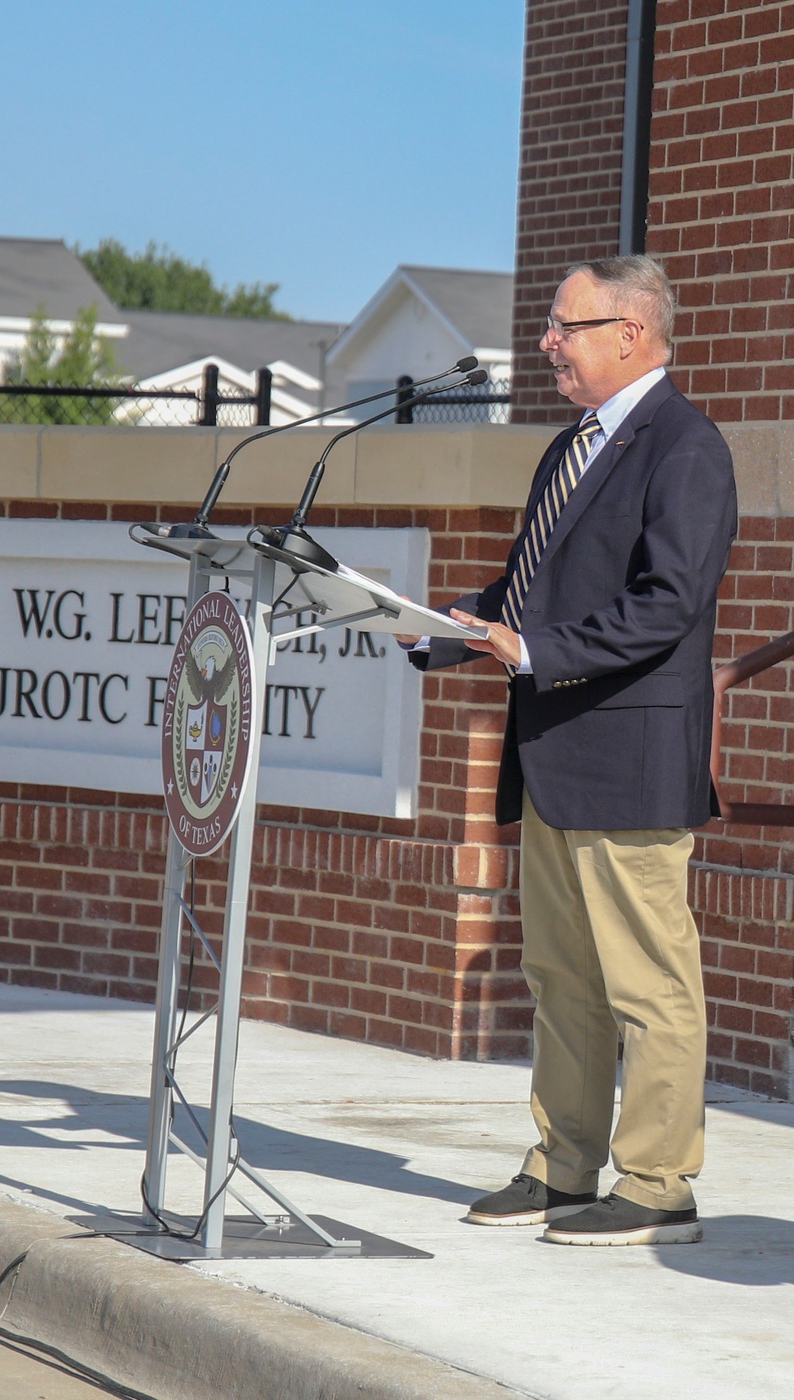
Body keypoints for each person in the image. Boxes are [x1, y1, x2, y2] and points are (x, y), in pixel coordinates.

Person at [401, 255, 736, 1245]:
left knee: (646, 982)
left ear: (630, 333)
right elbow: (526, 587)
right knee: (560, 977)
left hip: (629, 762)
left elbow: (667, 604)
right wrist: (433, 626)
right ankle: (564, 1164)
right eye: (550, 325)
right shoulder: (568, 449)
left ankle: (659, 1181)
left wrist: (537, 652)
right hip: (552, 755)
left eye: (564, 325)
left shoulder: (684, 446)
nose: (547, 340)